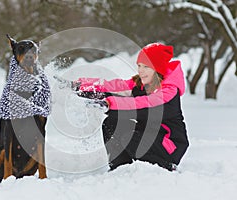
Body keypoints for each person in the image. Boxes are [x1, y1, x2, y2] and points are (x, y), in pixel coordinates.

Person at [55, 42, 189, 171]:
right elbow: (112, 86)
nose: (141, 71)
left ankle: (164, 166)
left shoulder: (169, 92)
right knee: (111, 123)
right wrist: (79, 86)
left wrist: (110, 103)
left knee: (128, 135)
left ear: (157, 69)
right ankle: (120, 168)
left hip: (168, 146)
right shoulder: (140, 84)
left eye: (146, 67)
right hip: (147, 136)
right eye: (139, 66)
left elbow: (141, 104)